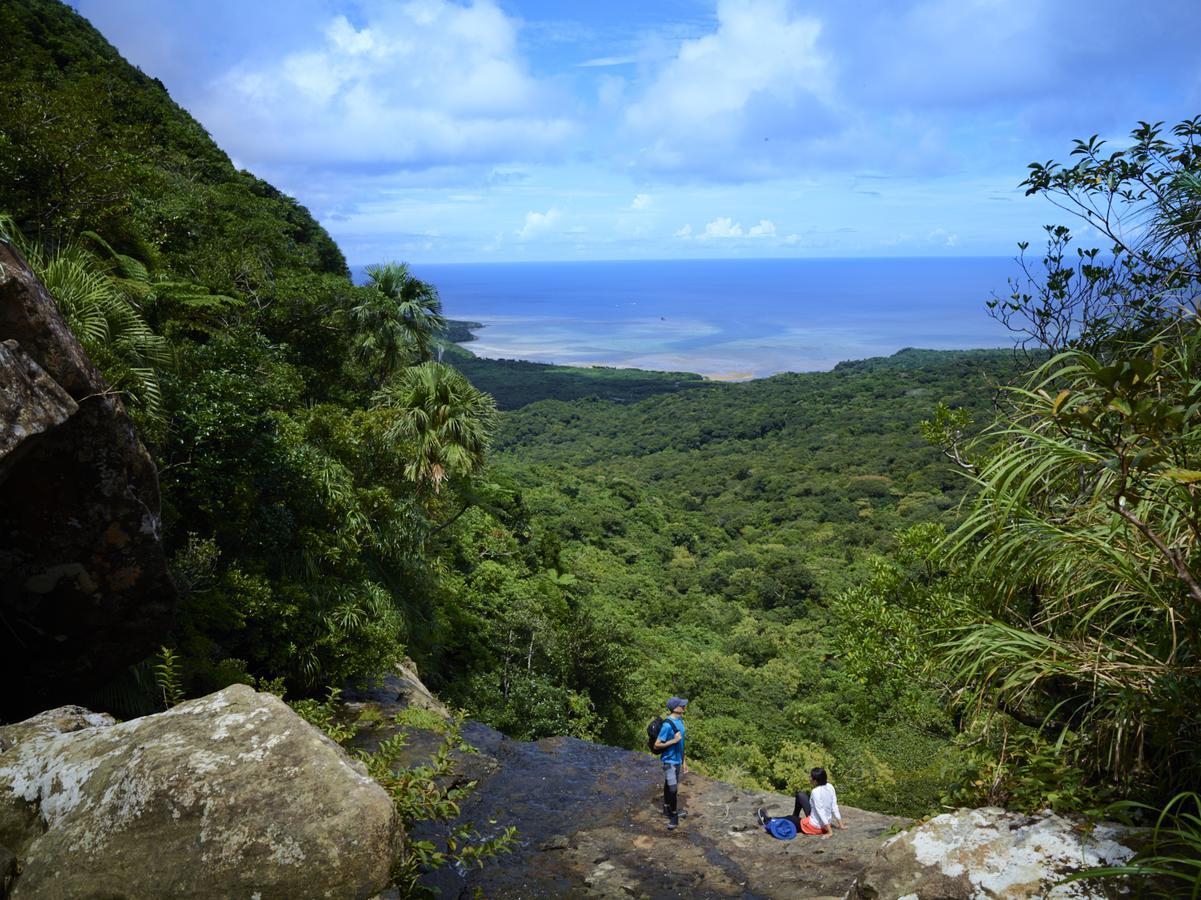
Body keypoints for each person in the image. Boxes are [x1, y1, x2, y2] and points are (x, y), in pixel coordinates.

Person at [756, 767, 844, 839]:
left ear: (815, 781)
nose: (809, 778)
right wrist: (841, 825)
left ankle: (767, 820)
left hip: (815, 826)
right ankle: (795, 817)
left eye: (811, 777)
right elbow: (834, 806)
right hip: (821, 821)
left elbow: (821, 811)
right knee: (800, 795)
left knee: (789, 818)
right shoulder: (830, 786)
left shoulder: (815, 792)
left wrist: (829, 832)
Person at [654, 697, 688, 829]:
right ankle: (673, 816)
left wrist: (684, 761)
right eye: (682, 706)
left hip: (677, 760)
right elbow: (657, 745)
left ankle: (667, 807)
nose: (684, 707)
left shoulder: (680, 720)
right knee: (673, 789)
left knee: (669, 785)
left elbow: (682, 743)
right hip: (669, 761)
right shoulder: (667, 725)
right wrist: (673, 741)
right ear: (675, 708)